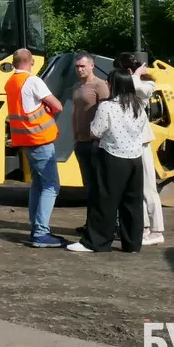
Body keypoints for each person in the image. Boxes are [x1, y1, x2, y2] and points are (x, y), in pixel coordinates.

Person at [67, 68, 147, 253]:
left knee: (105, 200)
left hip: (113, 156)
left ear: (113, 85)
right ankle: (132, 243)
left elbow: (96, 130)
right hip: (135, 157)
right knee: (132, 202)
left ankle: (96, 242)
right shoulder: (138, 105)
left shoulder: (107, 106)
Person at [5, 48, 65, 247]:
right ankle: (40, 233)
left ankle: (36, 228)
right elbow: (58, 106)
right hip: (40, 138)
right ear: (31, 62)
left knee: (38, 184)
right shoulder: (32, 81)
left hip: (25, 140)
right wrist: (48, 108)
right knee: (51, 186)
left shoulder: (11, 82)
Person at [115, 53, 165, 247]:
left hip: (141, 142)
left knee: (148, 187)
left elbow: (139, 88)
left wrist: (135, 75)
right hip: (127, 142)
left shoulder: (146, 85)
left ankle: (156, 230)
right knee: (134, 188)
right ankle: (142, 228)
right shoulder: (125, 85)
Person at [71, 52, 109, 236]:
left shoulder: (100, 85)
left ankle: (107, 224)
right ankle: (91, 223)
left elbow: (107, 112)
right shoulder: (77, 87)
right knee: (89, 187)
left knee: (100, 187)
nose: (79, 69)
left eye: (82, 66)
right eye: (77, 66)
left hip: (95, 143)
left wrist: (99, 140)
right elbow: (75, 113)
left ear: (92, 66)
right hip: (81, 142)